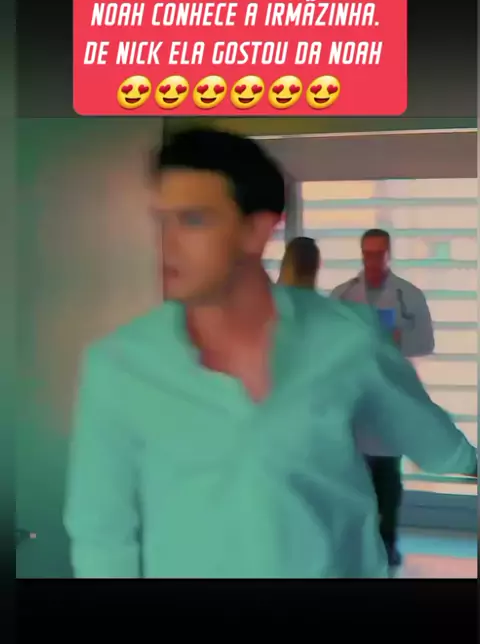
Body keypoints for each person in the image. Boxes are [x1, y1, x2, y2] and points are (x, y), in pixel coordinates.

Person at [64, 130, 477, 578]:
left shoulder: (346, 339)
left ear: (256, 230)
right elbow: (101, 533)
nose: (167, 243)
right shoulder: (120, 364)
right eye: (160, 221)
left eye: (193, 220)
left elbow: (440, 447)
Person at [331, 228, 436, 567]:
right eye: (367, 254)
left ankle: (388, 542)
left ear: (389, 254)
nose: (372, 261)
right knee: (354, 475)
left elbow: (426, 343)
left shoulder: (409, 295)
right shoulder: (343, 294)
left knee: (388, 474)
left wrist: (397, 341)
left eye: (378, 254)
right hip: (356, 396)